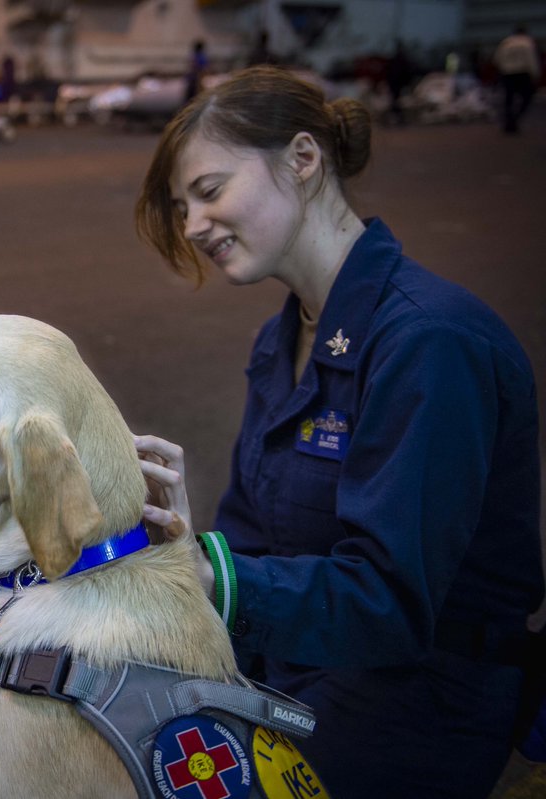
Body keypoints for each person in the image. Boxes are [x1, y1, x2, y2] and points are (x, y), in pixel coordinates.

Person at [133, 65, 543, 799]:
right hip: (301, 665)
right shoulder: (279, 338)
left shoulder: (429, 341)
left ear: (303, 159)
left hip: (422, 692)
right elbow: (252, 543)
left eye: (209, 190)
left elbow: (389, 602)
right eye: (181, 206)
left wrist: (208, 576)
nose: (193, 226)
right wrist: (167, 548)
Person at [493, 23, 540, 134]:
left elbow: (496, 59)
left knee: (508, 99)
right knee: (527, 98)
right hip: (523, 73)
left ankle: (509, 121)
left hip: (507, 73)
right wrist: (535, 75)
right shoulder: (528, 43)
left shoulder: (506, 43)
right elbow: (532, 60)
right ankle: (515, 118)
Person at [184, 40, 209, 104]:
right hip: (196, 77)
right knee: (195, 94)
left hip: (192, 77)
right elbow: (203, 68)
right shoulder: (201, 57)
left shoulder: (194, 56)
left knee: (191, 95)